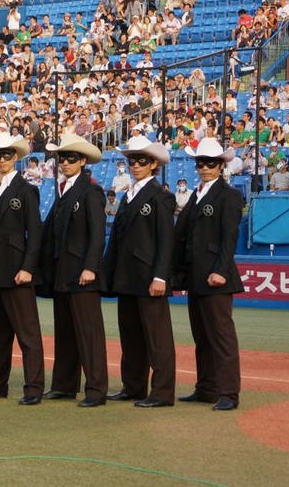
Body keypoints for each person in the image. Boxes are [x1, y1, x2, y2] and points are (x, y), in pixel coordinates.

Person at [104, 136, 176, 408]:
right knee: (131, 335)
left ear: (154, 164)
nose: (135, 165)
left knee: (157, 338)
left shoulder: (161, 196)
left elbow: (165, 240)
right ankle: (133, 386)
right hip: (127, 276)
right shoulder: (127, 195)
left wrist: (160, 276)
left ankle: (161, 392)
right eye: (132, 161)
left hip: (149, 277)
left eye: (141, 161)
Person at [173, 138, 244, 411]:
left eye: (210, 163)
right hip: (195, 275)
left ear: (221, 165)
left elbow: (230, 237)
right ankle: (206, 388)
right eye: (200, 163)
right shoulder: (196, 194)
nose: (204, 168)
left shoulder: (229, 195)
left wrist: (221, 270)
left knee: (222, 337)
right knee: (201, 336)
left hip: (215, 276)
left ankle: (229, 393)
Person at [39, 133, 108, 407]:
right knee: (65, 331)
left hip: (82, 273)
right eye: (61, 158)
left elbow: (97, 233)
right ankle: (64, 385)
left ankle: (96, 389)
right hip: (61, 271)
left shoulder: (91, 191)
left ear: (82, 160)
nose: (64, 163)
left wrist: (91, 266)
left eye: (70, 158)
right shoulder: (62, 190)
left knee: (89, 334)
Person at [0, 132, 44, 405]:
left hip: (17, 272)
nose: (1, 159)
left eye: (6, 154)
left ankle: (34, 388)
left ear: (15, 157)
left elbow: (35, 234)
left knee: (27, 334)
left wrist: (28, 267)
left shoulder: (27, 191)